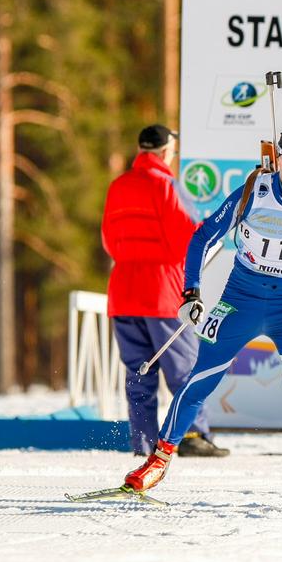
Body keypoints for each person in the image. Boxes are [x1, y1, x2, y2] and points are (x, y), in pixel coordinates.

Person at [121, 123, 282, 515]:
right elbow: (203, 237)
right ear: (278, 158)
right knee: (201, 379)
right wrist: (191, 292)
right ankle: (158, 462)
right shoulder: (253, 192)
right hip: (241, 301)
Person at [101, 124, 227, 458]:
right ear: (164, 152)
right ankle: (193, 435)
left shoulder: (117, 186)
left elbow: (108, 241)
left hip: (123, 292)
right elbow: (188, 237)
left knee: (138, 373)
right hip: (161, 292)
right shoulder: (166, 186)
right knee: (184, 369)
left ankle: (144, 443)